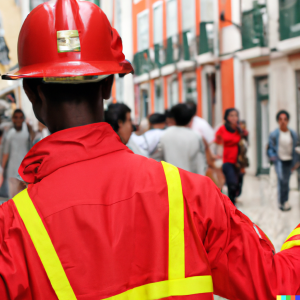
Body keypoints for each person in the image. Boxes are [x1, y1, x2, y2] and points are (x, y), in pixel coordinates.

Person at [1, 1, 300, 299]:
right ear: (108, 86)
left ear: (31, 93)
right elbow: (278, 286)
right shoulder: (191, 196)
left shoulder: (12, 231)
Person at [158, 104, 207, 175]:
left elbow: (160, 157)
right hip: (190, 178)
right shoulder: (196, 136)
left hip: (171, 178)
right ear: (190, 118)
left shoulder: (164, 134)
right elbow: (200, 162)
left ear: (173, 118)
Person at [267, 110, 299, 211]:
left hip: (289, 160)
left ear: (288, 121)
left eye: (285, 119)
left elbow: (297, 147)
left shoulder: (293, 134)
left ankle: (285, 201)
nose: (283, 121)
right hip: (279, 160)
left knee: (286, 181)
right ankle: (282, 201)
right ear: (278, 121)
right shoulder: (274, 134)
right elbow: (270, 149)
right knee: (281, 179)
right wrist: (273, 158)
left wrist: (297, 161)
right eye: (280, 119)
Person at [215, 108, 247, 205]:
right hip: (226, 160)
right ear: (227, 117)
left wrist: (243, 132)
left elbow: (245, 139)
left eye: (236, 115)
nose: (234, 118)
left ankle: (233, 201)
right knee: (232, 184)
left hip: (238, 161)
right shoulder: (222, 129)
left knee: (238, 186)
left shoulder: (239, 129)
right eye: (231, 115)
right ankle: (231, 206)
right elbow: (217, 142)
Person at [0, 109, 31, 198]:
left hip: (25, 172)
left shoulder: (28, 134)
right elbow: (6, 153)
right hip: (12, 172)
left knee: (24, 198)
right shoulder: (10, 134)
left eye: (20, 117)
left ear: (23, 119)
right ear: (13, 119)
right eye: (16, 117)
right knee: (13, 198)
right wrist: (2, 170)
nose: (18, 120)